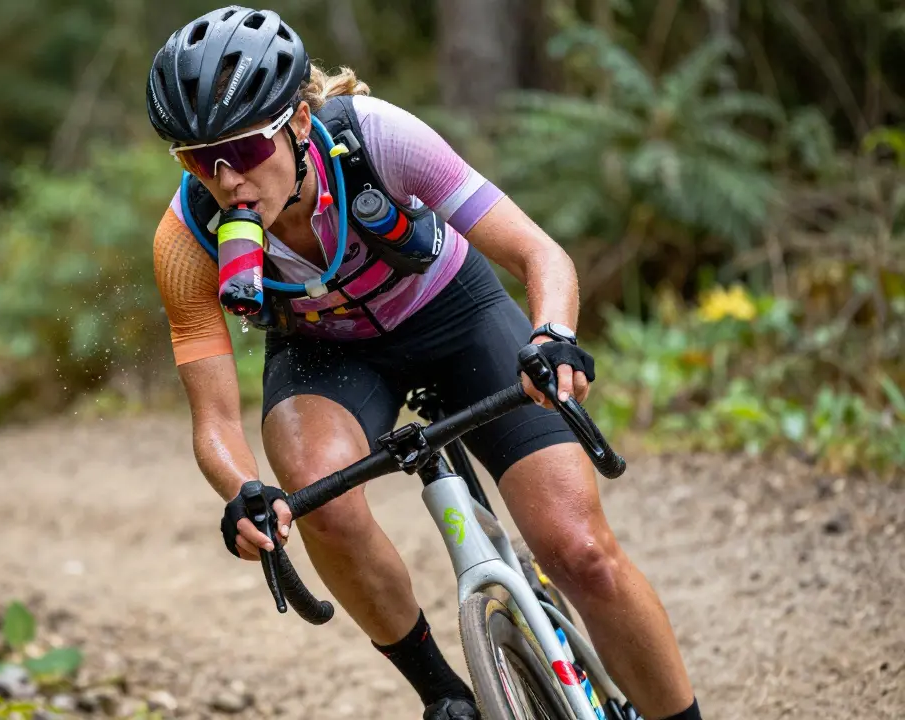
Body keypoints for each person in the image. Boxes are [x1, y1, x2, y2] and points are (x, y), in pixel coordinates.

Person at [146, 7, 701, 720]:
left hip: (455, 313)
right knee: (316, 496)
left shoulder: (379, 136)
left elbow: (540, 255)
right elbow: (213, 421)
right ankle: (442, 692)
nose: (226, 179)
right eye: (198, 159)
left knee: (581, 549)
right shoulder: (184, 238)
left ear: (298, 125)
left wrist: (553, 334)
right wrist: (243, 489)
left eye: (247, 151)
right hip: (327, 352)